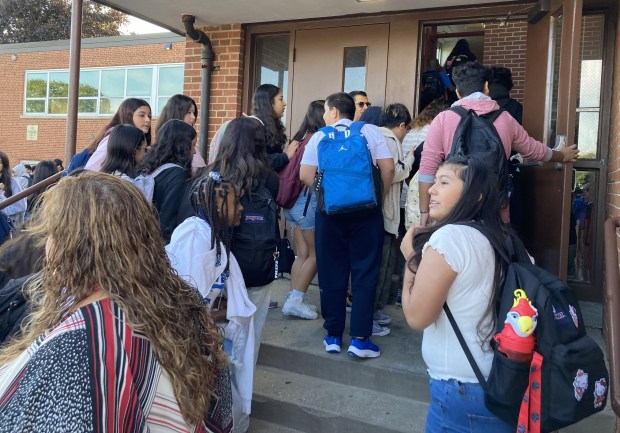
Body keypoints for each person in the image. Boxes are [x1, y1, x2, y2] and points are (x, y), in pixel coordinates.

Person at [0, 172, 233, 432]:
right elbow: (219, 411)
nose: (47, 246)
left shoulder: (78, 345)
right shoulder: (184, 303)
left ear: (71, 246)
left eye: (52, 234)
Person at [400, 156, 513, 433]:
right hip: (502, 384)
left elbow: (417, 316)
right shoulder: (503, 238)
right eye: (434, 181)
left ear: (475, 195)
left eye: (444, 182)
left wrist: (411, 259)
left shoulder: (450, 237)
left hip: (463, 393)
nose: (431, 190)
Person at [418, 62, 579, 227]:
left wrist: (425, 211)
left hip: (454, 208)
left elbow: (427, 167)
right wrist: (561, 155)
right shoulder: (505, 119)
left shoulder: (443, 119)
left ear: (458, 92)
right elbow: (533, 150)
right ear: (487, 87)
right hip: (494, 210)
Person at [300, 92, 394, 358]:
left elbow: (305, 175)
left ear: (332, 112)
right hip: (367, 212)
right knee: (365, 272)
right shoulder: (372, 132)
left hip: (330, 214)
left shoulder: (319, 137)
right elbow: (387, 169)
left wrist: (329, 195)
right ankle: (361, 340)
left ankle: (332, 336)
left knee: (331, 272)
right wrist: (378, 198)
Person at [166, 173, 255, 433]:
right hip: (191, 348)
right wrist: (217, 315)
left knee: (231, 415)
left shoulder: (209, 234)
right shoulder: (195, 235)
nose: (241, 209)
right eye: (236, 202)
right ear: (218, 204)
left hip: (205, 342)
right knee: (231, 417)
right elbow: (186, 302)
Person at [207, 117, 279, 365]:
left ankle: (222, 394)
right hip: (256, 268)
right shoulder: (269, 179)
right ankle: (243, 396)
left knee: (217, 336)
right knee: (250, 338)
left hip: (218, 269)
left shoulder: (209, 176)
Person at [280, 100, 325, 320]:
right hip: (306, 204)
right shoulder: (317, 140)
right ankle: (295, 300)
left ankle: (292, 299)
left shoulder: (300, 138)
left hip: (291, 205)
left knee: (303, 254)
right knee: (316, 255)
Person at [372, 103, 414, 336]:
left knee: (383, 264)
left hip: (379, 212)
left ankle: (376, 311)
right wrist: (409, 160)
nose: (406, 133)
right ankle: (371, 315)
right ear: (400, 125)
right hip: (384, 212)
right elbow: (393, 171)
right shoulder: (389, 140)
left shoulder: (376, 135)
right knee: (381, 265)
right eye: (406, 129)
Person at [139, 119, 196, 243]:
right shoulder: (178, 175)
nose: (195, 151)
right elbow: (168, 220)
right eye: (193, 145)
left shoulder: (148, 167)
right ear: (183, 147)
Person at [83, 98, 152, 172]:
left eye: (149, 116)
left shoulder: (140, 140)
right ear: (127, 115)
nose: (148, 120)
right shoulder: (113, 138)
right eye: (142, 115)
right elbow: (91, 171)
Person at [251, 84, 298, 172]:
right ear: (269, 102)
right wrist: (285, 156)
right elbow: (255, 161)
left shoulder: (272, 126)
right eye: (280, 99)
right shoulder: (253, 127)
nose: (284, 103)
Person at [157, 94, 207, 171]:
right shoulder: (166, 149)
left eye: (194, 113)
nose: (193, 117)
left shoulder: (190, 145)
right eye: (189, 112)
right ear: (176, 113)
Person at [0, 152, 27, 224]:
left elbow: (21, 206)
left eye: (0, 162)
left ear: (4, 164)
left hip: (6, 225)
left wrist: (3, 210)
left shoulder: (12, 182)